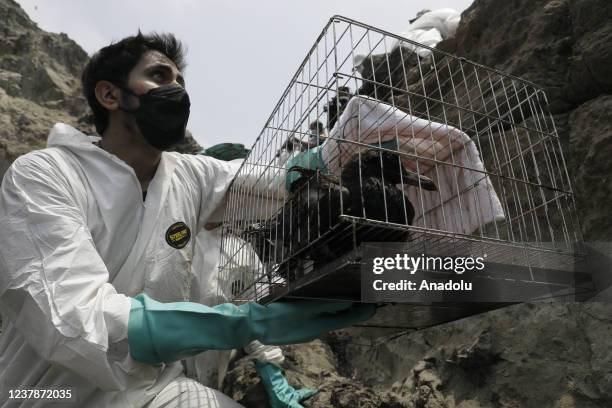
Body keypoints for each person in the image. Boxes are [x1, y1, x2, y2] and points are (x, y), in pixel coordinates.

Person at [0, 32, 375, 407]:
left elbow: (274, 182)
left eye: (180, 81)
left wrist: (345, 155)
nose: (177, 91)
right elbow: (73, 318)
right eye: (160, 77)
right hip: (48, 393)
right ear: (110, 95)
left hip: (152, 387)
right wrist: (243, 323)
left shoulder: (188, 176)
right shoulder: (46, 174)